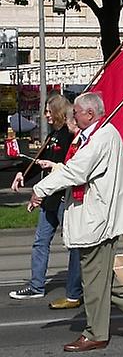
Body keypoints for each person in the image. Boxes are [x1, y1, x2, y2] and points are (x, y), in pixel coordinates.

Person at [28, 93, 123, 352]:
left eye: (77, 112)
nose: (73, 116)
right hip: (95, 217)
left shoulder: (102, 137)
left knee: (93, 281)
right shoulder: (95, 135)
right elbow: (75, 168)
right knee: (99, 276)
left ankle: (96, 333)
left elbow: (77, 171)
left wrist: (41, 189)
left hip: (98, 219)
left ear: (90, 114)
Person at [9, 94, 82, 309]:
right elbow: (41, 162)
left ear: (59, 111)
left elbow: (72, 166)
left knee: (74, 245)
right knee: (40, 242)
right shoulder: (53, 136)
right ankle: (36, 286)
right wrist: (23, 174)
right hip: (49, 198)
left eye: (49, 111)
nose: (46, 116)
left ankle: (76, 290)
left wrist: (52, 165)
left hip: (63, 198)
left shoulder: (70, 135)